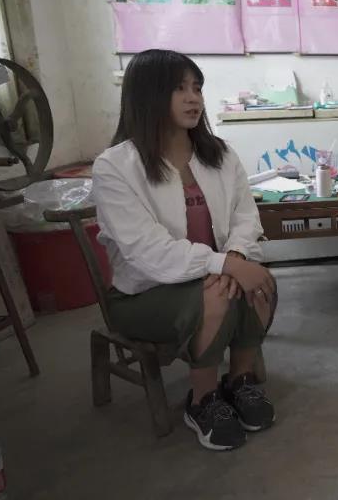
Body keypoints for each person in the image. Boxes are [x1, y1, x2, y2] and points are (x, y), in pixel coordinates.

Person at [93, 49, 278, 451]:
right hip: (144, 293)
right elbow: (147, 250)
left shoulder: (220, 154)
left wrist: (237, 258)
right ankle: (203, 400)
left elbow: (246, 217)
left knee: (261, 283)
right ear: (147, 94)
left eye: (197, 88)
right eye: (179, 89)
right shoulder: (115, 166)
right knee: (218, 293)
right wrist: (224, 264)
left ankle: (240, 382)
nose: (193, 98)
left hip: (213, 275)